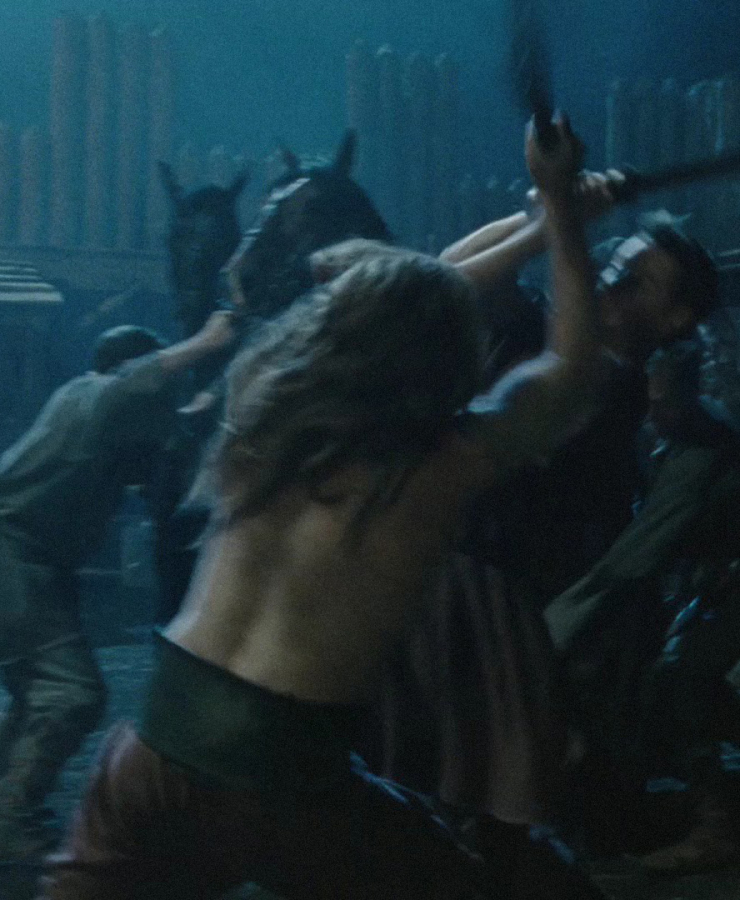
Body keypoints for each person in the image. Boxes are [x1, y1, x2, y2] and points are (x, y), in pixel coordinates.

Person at [39, 114, 606, 899]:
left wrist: (543, 215)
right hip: (282, 783)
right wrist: (562, 217)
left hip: (150, 751)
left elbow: (410, 294)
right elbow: (570, 368)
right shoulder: (433, 470)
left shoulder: (260, 406)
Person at [377, 206, 724, 872]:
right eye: (613, 266)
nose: (610, 282)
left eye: (636, 282)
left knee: (476, 786)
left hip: (497, 591)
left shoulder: (604, 382)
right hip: (451, 569)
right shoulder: (553, 340)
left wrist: (557, 217)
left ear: (674, 319)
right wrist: (545, 212)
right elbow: (448, 276)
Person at [545, 341, 740, 872]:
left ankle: (717, 828)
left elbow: (636, 556)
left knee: (679, 677)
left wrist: (557, 623)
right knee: (696, 674)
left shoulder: (701, 455)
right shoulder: (680, 438)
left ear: (690, 394)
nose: (656, 415)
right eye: (650, 404)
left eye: (666, 402)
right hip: (728, 583)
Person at [0, 312, 237, 862]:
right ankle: (9, 820)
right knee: (70, 693)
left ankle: (9, 808)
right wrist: (207, 341)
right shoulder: (94, 395)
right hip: (13, 553)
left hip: (32, 563)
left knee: (40, 693)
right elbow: (135, 383)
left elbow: (171, 420)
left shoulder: (107, 415)